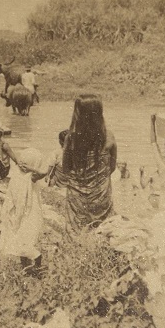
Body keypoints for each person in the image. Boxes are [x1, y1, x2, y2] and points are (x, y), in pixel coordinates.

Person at [54, 95, 117, 233]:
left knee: (76, 233)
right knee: (101, 231)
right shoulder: (109, 137)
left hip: (77, 196)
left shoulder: (71, 138)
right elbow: (112, 167)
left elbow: (66, 168)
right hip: (101, 194)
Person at [0, 148, 51, 276]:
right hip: (28, 211)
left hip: (24, 211)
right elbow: (44, 172)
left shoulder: (20, 176)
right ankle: (32, 266)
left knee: (24, 238)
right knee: (25, 239)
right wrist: (32, 168)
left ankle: (31, 266)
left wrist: (26, 167)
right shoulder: (29, 177)